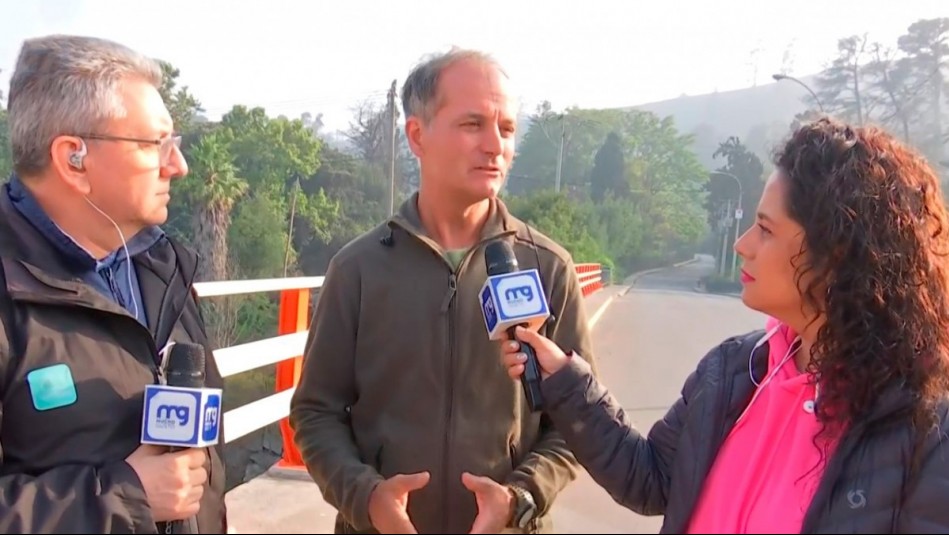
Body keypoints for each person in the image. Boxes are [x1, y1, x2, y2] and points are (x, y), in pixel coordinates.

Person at [501, 117, 949, 533]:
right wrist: (565, 379)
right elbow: (652, 479)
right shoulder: (737, 368)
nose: (742, 244)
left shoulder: (925, 426)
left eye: (766, 230)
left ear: (835, 254)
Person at [289, 48, 598, 534]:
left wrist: (520, 498)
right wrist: (366, 499)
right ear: (417, 134)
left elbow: (576, 421)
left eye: (508, 129)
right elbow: (315, 412)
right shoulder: (359, 270)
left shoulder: (548, 268)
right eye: (473, 124)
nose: (495, 146)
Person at [0, 35, 227, 533]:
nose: (178, 165)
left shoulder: (164, 268)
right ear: (72, 159)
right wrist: (126, 497)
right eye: (154, 144)